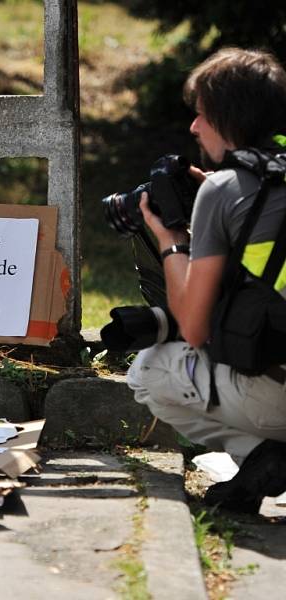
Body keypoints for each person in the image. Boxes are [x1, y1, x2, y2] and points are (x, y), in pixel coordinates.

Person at [126, 47, 286, 514]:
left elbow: (194, 329)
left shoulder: (224, 190)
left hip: (275, 394)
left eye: (201, 115)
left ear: (227, 118)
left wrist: (171, 238)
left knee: (148, 372)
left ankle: (263, 454)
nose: (194, 128)